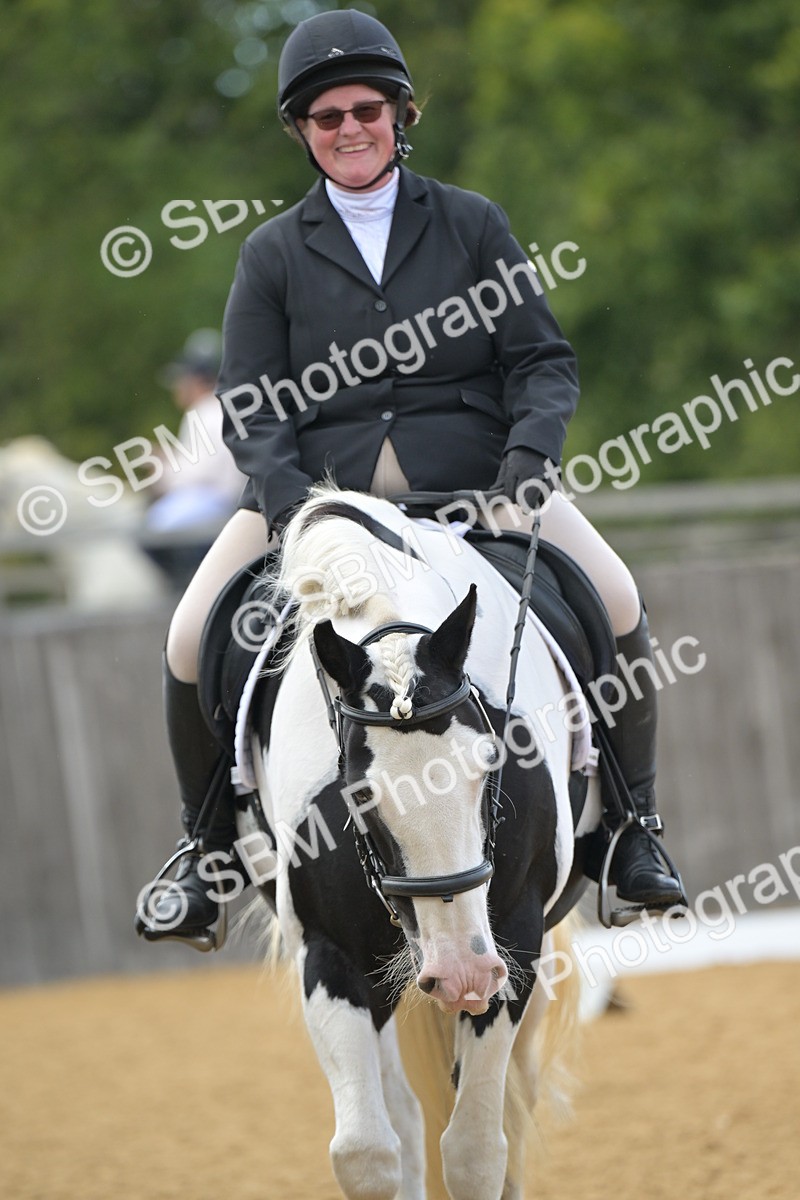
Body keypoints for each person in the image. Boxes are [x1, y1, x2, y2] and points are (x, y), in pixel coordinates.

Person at [139, 9, 684, 944]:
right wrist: (288, 506)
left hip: (480, 483)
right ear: (303, 131)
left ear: (400, 113)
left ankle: (634, 829)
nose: (350, 129)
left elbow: (541, 361)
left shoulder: (471, 222)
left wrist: (526, 466)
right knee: (191, 635)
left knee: (618, 596)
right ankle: (206, 850)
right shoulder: (273, 252)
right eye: (327, 117)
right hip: (323, 498)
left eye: (367, 110)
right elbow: (252, 400)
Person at [143, 330, 248, 588]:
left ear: (197, 380)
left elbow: (198, 475)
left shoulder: (205, 412)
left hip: (215, 500)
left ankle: (181, 588)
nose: (177, 387)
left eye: (182, 379)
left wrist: (161, 468)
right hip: (224, 500)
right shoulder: (221, 408)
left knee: (146, 533)